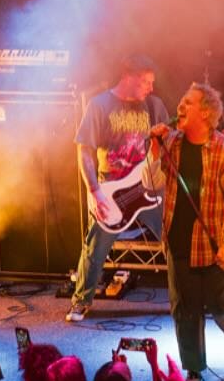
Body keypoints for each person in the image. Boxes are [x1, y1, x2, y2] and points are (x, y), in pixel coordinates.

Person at [145, 81, 224, 381]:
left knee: (220, 303)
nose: (180, 106)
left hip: (215, 243)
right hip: (178, 241)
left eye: (188, 102)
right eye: (181, 99)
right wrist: (155, 148)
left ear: (205, 113)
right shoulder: (172, 144)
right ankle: (194, 372)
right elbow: (151, 184)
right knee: (185, 311)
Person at [66, 53, 169, 322]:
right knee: (95, 247)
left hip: (149, 189)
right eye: (145, 81)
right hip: (112, 192)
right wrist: (95, 191)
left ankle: (188, 298)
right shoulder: (99, 105)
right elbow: (85, 151)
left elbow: (169, 147)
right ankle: (80, 301)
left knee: (176, 241)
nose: (150, 88)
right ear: (128, 77)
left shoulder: (154, 106)